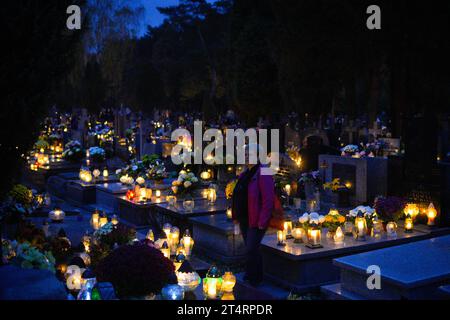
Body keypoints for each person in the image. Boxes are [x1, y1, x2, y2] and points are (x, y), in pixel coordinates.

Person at [232, 144, 275, 286]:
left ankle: (256, 278)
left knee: (252, 248)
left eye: (249, 153)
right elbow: (238, 194)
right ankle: (250, 274)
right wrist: (236, 216)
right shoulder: (245, 174)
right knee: (250, 248)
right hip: (245, 217)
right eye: (244, 154)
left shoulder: (264, 171)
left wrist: (263, 220)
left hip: (256, 219)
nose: (246, 156)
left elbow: (268, 199)